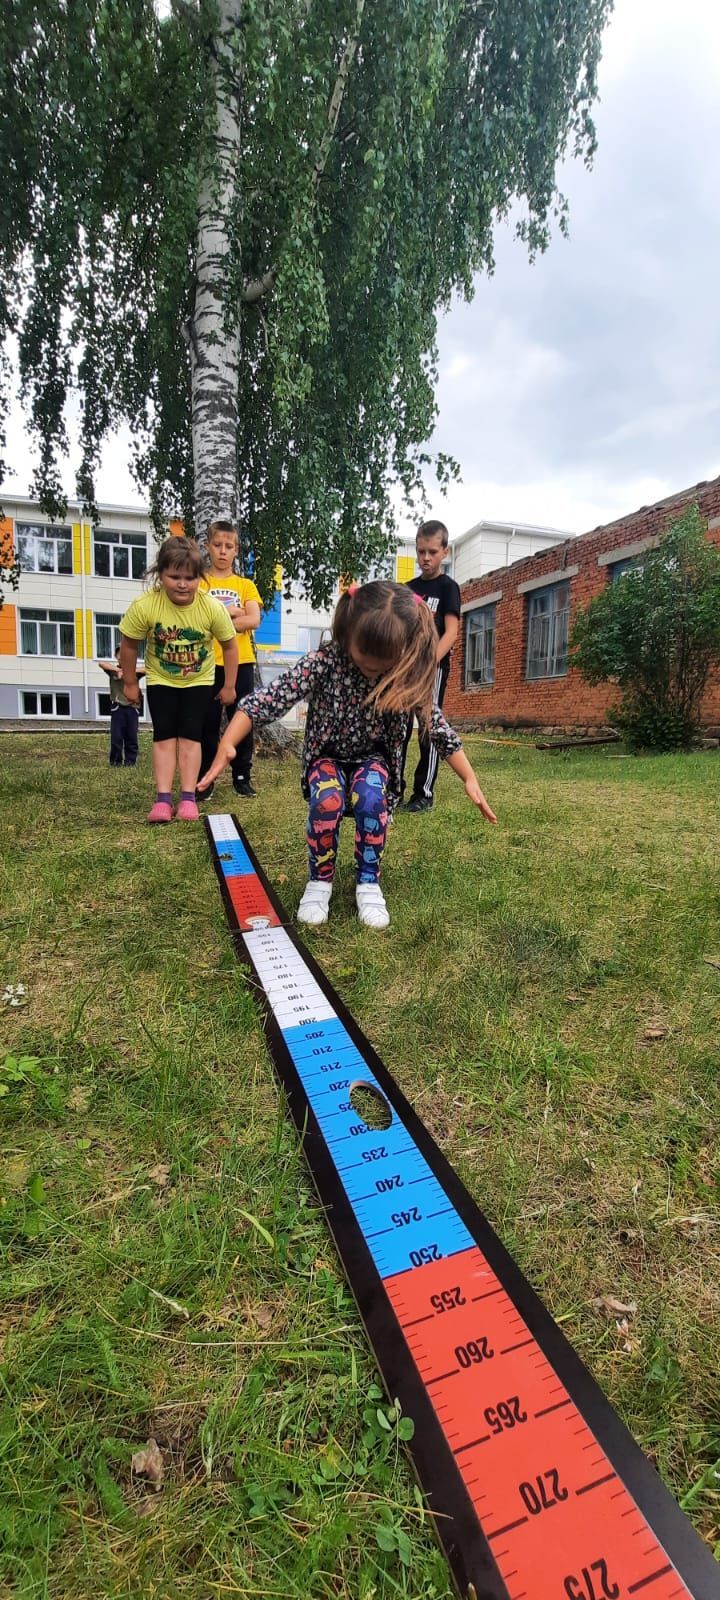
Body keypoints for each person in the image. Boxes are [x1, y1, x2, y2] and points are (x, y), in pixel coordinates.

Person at [198, 580, 496, 928]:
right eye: (364, 658)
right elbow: (268, 700)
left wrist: (469, 776)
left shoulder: (404, 672)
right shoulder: (324, 661)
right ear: (348, 633)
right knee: (328, 800)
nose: (372, 669)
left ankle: (368, 882)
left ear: (402, 650)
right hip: (327, 756)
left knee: (372, 798)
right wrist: (229, 741)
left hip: (375, 759)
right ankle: (319, 880)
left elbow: (436, 726)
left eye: (382, 663)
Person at [118, 536, 239, 823]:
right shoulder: (145, 606)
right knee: (163, 737)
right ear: (160, 575)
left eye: (190, 577)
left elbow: (230, 646)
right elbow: (129, 644)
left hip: (198, 681)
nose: (182, 584)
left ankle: (187, 797)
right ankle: (162, 799)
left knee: (190, 737)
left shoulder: (211, 607)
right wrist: (130, 683)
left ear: (200, 577)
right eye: (174, 577)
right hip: (161, 680)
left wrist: (230, 685)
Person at [197, 518, 263, 799]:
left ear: (236, 550)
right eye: (217, 545)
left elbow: (254, 619)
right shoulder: (200, 583)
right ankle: (205, 778)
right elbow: (198, 619)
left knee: (242, 718)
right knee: (206, 724)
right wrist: (234, 613)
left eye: (229, 546)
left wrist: (223, 619)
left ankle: (241, 775)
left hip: (242, 661)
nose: (223, 551)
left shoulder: (245, 585)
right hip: (207, 663)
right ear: (208, 547)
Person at [402, 518, 461, 812]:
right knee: (398, 730)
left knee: (429, 729)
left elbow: (451, 631)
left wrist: (429, 661)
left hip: (432, 670)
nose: (426, 558)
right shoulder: (407, 589)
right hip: (404, 670)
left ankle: (423, 793)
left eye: (433, 552)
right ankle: (391, 790)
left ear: (444, 552)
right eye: (421, 551)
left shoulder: (448, 588)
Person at [98, 645, 146, 767]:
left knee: (131, 737)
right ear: (116, 656)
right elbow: (101, 663)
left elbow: (147, 669)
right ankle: (115, 762)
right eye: (120, 654)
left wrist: (128, 672)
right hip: (117, 708)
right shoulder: (113, 670)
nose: (123, 656)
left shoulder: (135, 671)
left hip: (132, 708)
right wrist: (119, 671)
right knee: (116, 738)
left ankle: (130, 762)